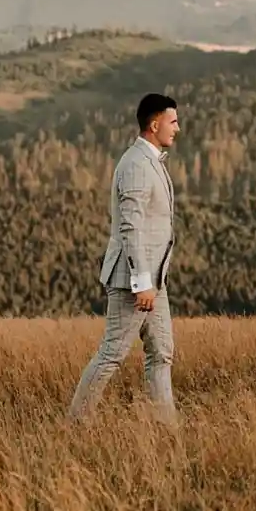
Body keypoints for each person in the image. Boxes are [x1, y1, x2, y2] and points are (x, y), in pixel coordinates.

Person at [68, 93, 181, 424]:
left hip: (153, 282)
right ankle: (75, 424)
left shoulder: (149, 161)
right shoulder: (135, 165)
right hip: (136, 281)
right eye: (173, 122)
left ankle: (166, 429)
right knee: (112, 354)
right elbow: (131, 227)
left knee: (161, 353)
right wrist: (142, 282)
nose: (177, 128)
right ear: (154, 123)